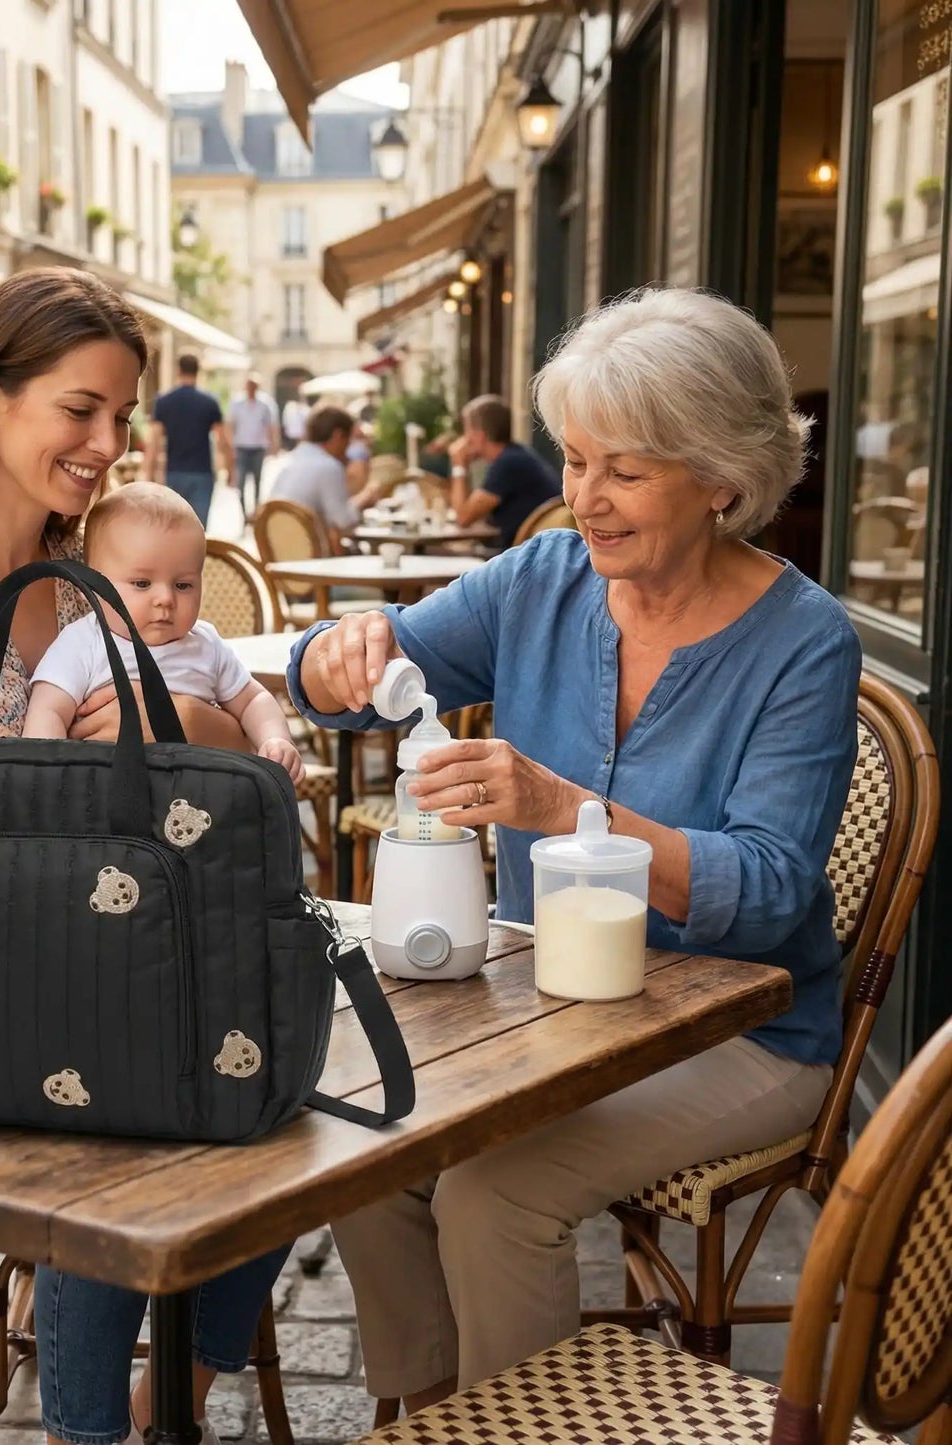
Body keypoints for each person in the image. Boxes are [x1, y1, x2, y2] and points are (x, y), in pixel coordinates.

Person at [287, 287, 859, 1406]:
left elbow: (774, 889)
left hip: (741, 1027)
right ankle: (433, 1410)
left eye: (623, 471)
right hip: (547, 1003)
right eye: (575, 459)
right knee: (365, 1136)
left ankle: (517, 1429)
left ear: (720, 478)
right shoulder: (543, 580)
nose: (580, 500)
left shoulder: (803, 643)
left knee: (493, 1191)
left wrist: (566, 809)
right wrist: (335, 656)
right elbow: (356, 676)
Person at [0, 267, 291, 1445]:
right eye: (79, 409)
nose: (107, 443)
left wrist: (186, 731)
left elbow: (219, 738)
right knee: (121, 1104)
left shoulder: (107, 569)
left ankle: (169, 1395)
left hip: (121, 940)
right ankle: (90, 1431)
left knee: (289, 1082)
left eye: (122, 416)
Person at [25, 483, 304, 782]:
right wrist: (50, 778)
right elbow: (48, 711)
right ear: (93, 583)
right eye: (142, 584)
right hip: (107, 802)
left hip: (199, 805)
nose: (165, 599)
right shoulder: (83, 643)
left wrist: (275, 740)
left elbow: (252, 700)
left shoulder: (205, 644)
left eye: (183, 585)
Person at [447, 394, 562, 548]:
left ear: (479, 436)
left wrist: (459, 466)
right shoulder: (514, 456)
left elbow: (463, 518)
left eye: (467, 430)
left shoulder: (508, 463)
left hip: (525, 558)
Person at [269, 404, 383, 542]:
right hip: (308, 555)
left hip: (277, 552)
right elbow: (343, 522)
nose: (347, 449)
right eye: (348, 441)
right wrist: (365, 497)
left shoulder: (291, 459)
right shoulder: (329, 466)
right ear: (338, 436)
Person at [144, 354, 230, 527]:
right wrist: (230, 469)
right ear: (198, 372)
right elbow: (223, 441)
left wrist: (148, 474)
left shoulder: (164, 401)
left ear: (179, 371)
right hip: (202, 473)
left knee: (173, 528)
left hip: (174, 472)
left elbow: (153, 443)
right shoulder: (210, 402)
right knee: (198, 529)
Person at [227, 374, 280, 518]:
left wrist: (274, 444)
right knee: (241, 482)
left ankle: (255, 511)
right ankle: (244, 514)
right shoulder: (237, 403)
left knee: (257, 481)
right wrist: (230, 448)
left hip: (258, 447)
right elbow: (231, 425)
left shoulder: (265, 403)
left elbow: (271, 426)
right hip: (242, 447)